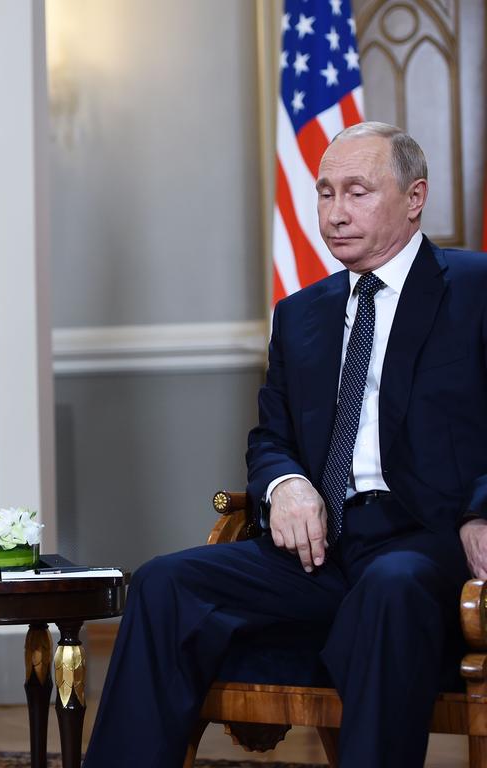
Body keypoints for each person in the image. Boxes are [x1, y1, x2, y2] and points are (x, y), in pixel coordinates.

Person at [83, 121, 487, 767]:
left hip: (424, 541)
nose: (334, 214)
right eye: (325, 193)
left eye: (357, 192)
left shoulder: (473, 288)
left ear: (415, 198)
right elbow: (271, 435)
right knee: (164, 583)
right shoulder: (301, 313)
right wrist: (285, 484)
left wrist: (481, 509)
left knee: (392, 586)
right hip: (316, 547)